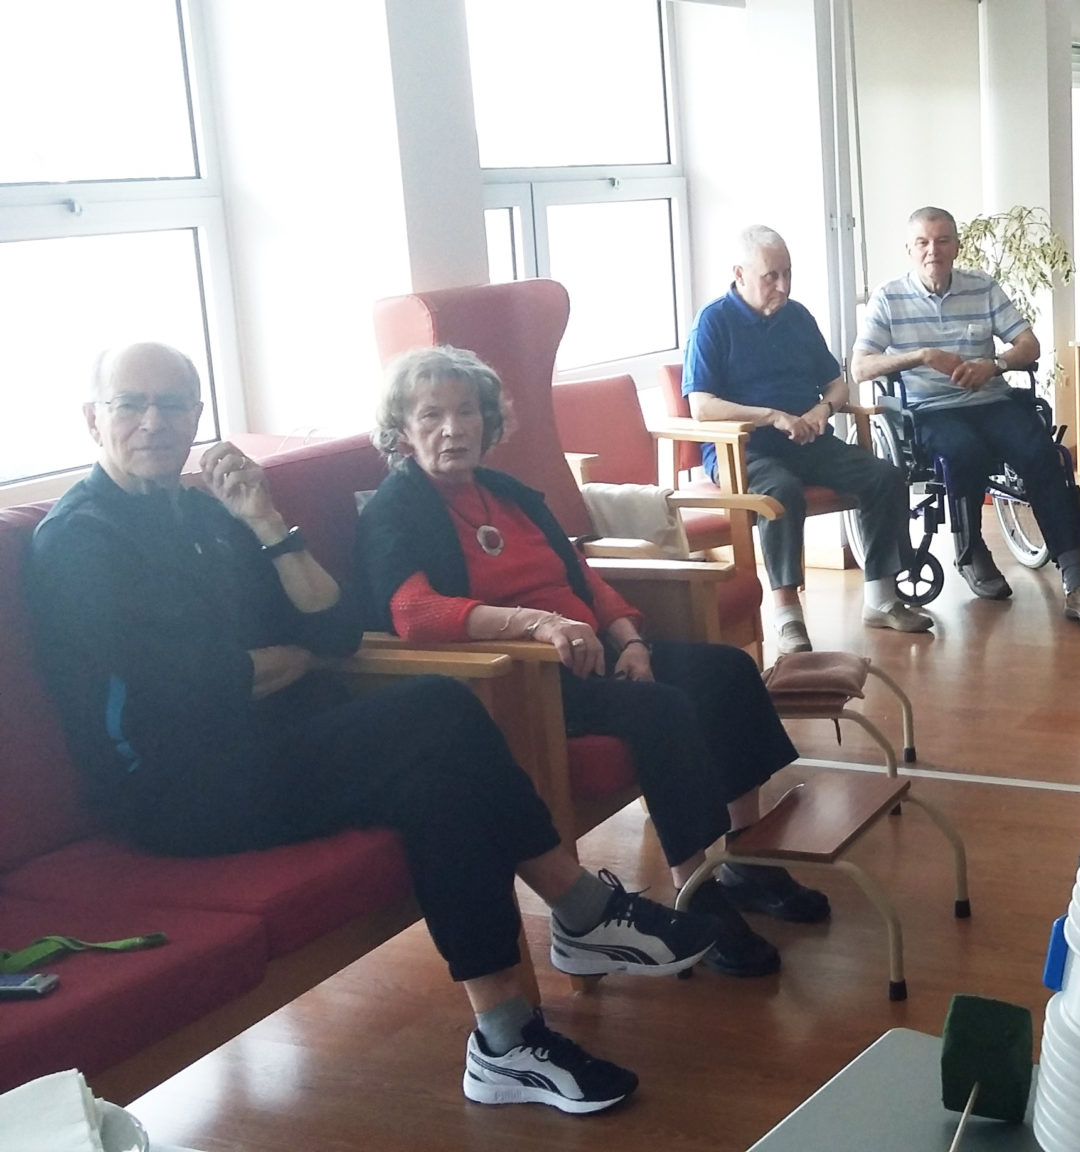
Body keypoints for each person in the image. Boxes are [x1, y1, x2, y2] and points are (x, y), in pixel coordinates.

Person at [27, 343, 710, 1115]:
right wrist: (283, 659)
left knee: (437, 784)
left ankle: (506, 1041)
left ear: (196, 416)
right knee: (436, 706)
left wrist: (266, 522)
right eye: (132, 404)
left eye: (174, 404)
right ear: (93, 419)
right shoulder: (78, 541)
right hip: (174, 786)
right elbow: (181, 692)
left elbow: (336, 628)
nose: (155, 422)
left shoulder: (205, 514)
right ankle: (578, 904)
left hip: (268, 745)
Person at [356, 346, 831, 981]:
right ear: (402, 430)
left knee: (727, 672)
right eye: (431, 415)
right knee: (661, 708)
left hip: (593, 650)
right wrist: (538, 624)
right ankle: (696, 891)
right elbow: (413, 611)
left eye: (466, 411)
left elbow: (581, 576)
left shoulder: (508, 493)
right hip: (523, 678)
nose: (453, 428)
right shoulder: (395, 508)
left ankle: (746, 862)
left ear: (487, 420)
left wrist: (629, 640)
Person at [850, 206, 1080, 624]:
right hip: (930, 410)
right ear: (910, 249)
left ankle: (1077, 579)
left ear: (956, 246)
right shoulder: (889, 297)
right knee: (963, 451)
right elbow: (861, 366)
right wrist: (922, 355)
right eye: (923, 242)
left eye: (942, 241)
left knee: (1043, 453)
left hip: (990, 399)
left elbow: (1028, 344)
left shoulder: (982, 286)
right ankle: (971, 548)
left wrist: (994, 365)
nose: (933, 251)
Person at [683, 225, 932, 655]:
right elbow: (702, 406)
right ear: (740, 274)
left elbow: (837, 383)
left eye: (788, 273)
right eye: (771, 276)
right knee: (780, 492)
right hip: (743, 449)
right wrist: (771, 417)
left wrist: (823, 410)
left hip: (807, 439)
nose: (783, 286)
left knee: (885, 477)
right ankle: (787, 615)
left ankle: (881, 598)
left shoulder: (797, 317)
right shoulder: (713, 322)